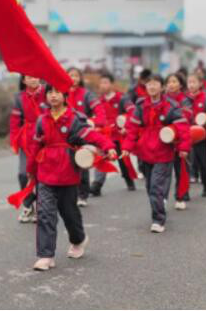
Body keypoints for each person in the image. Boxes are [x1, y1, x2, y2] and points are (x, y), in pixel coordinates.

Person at [27, 84, 117, 271]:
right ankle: (46, 255)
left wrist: (108, 147)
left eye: (57, 92)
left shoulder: (74, 119)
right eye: (50, 92)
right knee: (45, 214)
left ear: (66, 95)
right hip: (45, 173)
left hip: (68, 172)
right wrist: (31, 169)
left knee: (69, 213)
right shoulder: (42, 120)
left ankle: (79, 239)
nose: (53, 95)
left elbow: (92, 136)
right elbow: (35, 146)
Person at [122, 74, 191, 233]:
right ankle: (160, 203)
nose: (152, 87)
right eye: (149, 84)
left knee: (155, 187)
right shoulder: (141, 105)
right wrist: (126, 147)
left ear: (162, 87)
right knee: (149, 187)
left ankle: (158, 220)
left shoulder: (171, 106)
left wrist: (184, 148)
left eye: (155, 84)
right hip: (145, 152)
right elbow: (132, 129)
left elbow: (183, 128)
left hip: (163, 153)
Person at [66, 67, 107, 207]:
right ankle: (68, 194)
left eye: (76, 75)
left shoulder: (86, 94)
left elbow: (101, 114)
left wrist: (91, 122)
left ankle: (82, 195)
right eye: (70, 75)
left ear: (80, 78)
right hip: (64, 133)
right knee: (66, 165)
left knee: (82, 163)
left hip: (83, 134)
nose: (73, 78)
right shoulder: (60, 93)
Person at [90, 72, 136, 196]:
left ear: (112, 84)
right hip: (105, 136)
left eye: (105, 82)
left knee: (123, 161)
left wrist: (125, 125)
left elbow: (132, 112)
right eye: (101, 83)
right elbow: (94, 117)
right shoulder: (98, 101)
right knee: (101, 158)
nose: (103, 85)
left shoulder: (122, 98)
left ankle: (128, 179)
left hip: (119, 135)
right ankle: (97, 185)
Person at [9, 75, 46, 223]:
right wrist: (14, 141)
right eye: (29, 77)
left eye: (35, 76)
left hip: (45, 138)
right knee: (24, 174)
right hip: (27, 140)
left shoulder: (48, 93)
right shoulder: (19, 98)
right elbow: (14, 122)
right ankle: (28, 205)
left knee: (42, 175)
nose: (33, 79)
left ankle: (40, 207)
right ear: (24, 80)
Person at [164, 72, 192, 210]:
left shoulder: (185, 100)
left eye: (174, 81)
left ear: (180, 85)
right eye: (169, 82)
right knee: (164, 172)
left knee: (181, 170)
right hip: (165, 140)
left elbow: (186, 116)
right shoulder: (161, 99)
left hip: (181, 138)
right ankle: (162, 198)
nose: (171, 84)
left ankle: (180, 196)